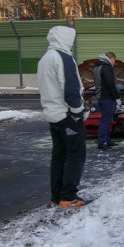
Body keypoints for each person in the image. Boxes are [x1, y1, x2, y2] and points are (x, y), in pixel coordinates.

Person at [36, 25, 87, 207]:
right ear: (66, 39)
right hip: (67, 115)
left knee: (59, 155)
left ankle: (56, 194)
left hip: (52, 115)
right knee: (76, 154)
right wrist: (77, 112)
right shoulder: (64, 58)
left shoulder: (44, 59)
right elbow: (70, 87)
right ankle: (69, 195)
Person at [94, 51, 120, 150]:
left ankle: (107, 140)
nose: (114, 63)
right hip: (107, 98)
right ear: (112, 58)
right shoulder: (106, 67)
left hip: (102, 97)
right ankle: (102, 142)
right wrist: (117, 97)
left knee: (107, 120)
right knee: (105, 121)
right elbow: (110, 84)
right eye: (114, 60)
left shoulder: (98, 66)